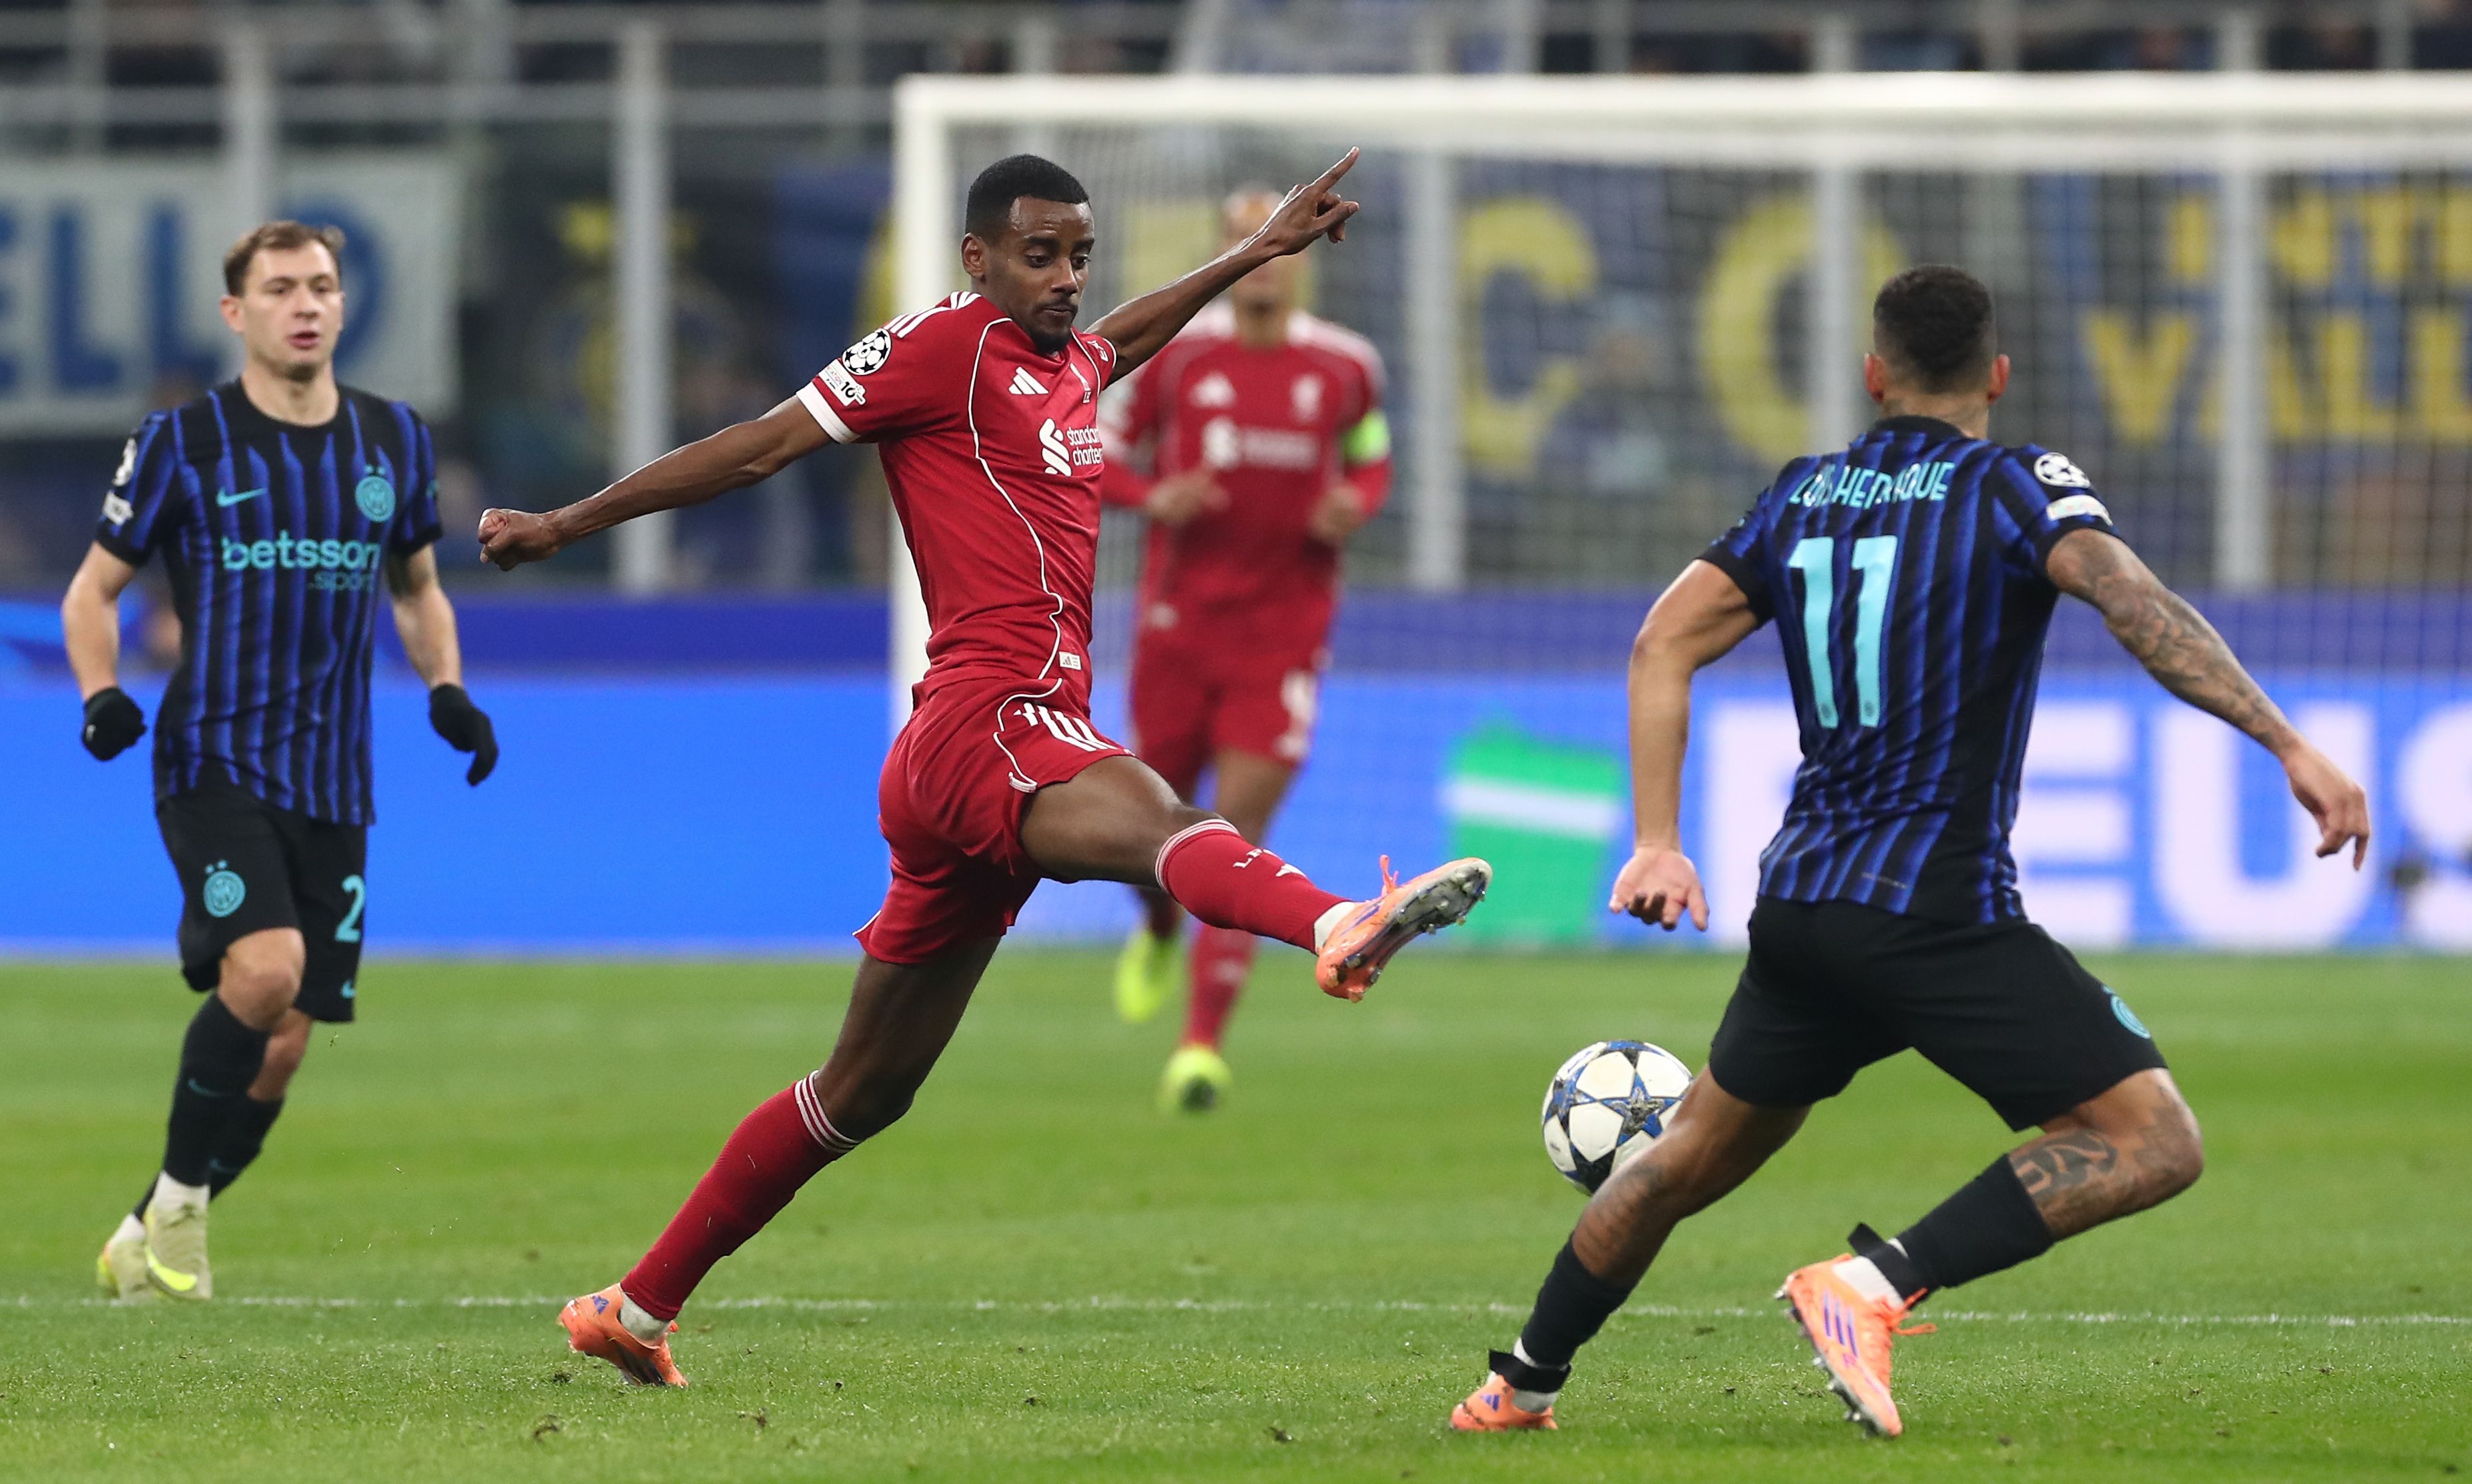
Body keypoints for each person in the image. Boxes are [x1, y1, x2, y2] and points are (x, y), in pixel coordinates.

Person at [477, 151, 1487, 1388]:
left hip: (979, 754)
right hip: (988, 721)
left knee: (862, 1093)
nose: (1065, 279)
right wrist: (562, 525)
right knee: (1163, 818)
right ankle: (1336, 919)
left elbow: (1121, 338)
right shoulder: (939, 347)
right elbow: (759, 448)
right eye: (1039, 254)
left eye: (1077, 255)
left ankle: (633, 1308)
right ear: (978, 259)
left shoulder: (1069, 364)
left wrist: (1253, 254)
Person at [1449, 265, 2371, 1439]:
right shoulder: (2014, 485)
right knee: (2152, 1140)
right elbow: (2130, 600)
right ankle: (1867, 1286)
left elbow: (1659, 644)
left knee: (1680, 1163)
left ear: (1873, 375)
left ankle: (1518, 1385)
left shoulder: (1804, 495)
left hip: (1805, 908)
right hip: (1932, 905)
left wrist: (1659, 839)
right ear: (1996, 374)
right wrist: (2286, 740)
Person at [64, 220, 499, 1304]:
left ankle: (147, 1228)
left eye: (320, 286)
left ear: (343, 306)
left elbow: (418, 587)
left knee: (288, 1041)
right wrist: (101, 695)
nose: (303, 304)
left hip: (335, 778)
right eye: (279, 289)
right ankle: (178, 1211)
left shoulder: (393, 440)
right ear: (237, 314)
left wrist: (446, 687)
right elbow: (92, 593)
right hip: (211, 757)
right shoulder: (185, 441)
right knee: (265, 974)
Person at [1099, 185, 1392, 1113]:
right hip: (1178, 634)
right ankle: (1154, 926)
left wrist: (1359, 501)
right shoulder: (1176, 359)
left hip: (1284, 639)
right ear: (1229, 254)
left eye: (1279, 243)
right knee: (1159, 829)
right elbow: (1092, 450)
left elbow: (1374, 455)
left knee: (1238, 835)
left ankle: (1198, 1049)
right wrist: (1153, 498)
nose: (1265, 257)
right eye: (1242, 241)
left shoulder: (1348, 367)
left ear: (1305, 257)